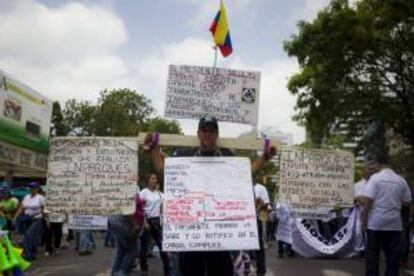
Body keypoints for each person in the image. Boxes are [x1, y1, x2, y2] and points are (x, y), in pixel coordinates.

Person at [145, 115, 276, 276]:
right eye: (204, 130)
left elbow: (245, 174)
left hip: (219, 236)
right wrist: (153, 149)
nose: (208, 134)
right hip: (192, 235)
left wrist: (265, 157)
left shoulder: (227, 156)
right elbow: (164, 172)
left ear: (217, 135)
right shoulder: (185, 155)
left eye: (211, 131)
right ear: (198, 133)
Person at [361, 157, 412, 276]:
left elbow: (368, 200)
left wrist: (364, 219)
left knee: (373, 254)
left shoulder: (375, 178)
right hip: (395, 224)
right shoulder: (401, 180)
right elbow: (407, 201)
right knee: (393, 256)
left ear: (379, 165)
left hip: (376, 223)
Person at [139, 173, 170, 275]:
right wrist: (144, 222)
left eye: (155, 179)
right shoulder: (143, 193)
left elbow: (164, 204)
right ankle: (144, 268)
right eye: (152, 178)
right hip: (147, 221)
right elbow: (140, 209)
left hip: (157, 222)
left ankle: (167, 268)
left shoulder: (159, 193)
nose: (154, 180)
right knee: (144, 246)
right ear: (148, 180)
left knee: (162, 245)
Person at [13, 182, 46, 260]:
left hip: (37, 218)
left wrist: (46, 219)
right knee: (31, 237)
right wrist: (15, 217)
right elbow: (21, 208)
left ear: (37, 189)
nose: (32, 189)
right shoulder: (26, 197)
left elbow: (43, 209)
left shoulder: (40, 197)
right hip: (27, 218)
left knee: (28, 235)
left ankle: (28, 254)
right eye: (31, 188)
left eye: (34, 188)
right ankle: (32, 253)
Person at [253, 180, 270, 275]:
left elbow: (266, 206)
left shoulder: (261, 188)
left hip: (256, 219)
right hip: (239, 220)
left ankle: (261, 269)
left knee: (258, 244)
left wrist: (259, 204)